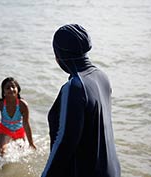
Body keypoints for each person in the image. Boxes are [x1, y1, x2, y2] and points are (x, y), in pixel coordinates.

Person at [41, 24, 120, 177]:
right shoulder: (102, 76)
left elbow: (64, 142)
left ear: (59, 56)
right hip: (112, 170)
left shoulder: (75, 87)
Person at [0, 77, 36, 156]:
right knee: (1, 153)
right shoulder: (0, 104)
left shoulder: (23, 105)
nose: (11, 89)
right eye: (7, 88)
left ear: (18, 89)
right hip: (4, 130)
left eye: (13, 87)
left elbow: (26, 124)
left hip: (19, 130)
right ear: (3, 92)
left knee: (20, 155)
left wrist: (31, 143)